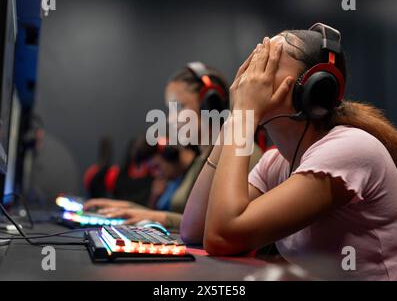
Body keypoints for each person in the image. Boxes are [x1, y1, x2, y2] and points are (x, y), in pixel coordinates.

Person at [180, 24, 397, 280]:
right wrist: (234, 120)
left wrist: (243, 116)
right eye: (254, 65)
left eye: (268, 65)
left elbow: (223, 236)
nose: (251, 79)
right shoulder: (275, 163)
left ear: (315, 88)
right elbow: (193, 229)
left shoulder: (350, 148)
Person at [84, 63, 263, 229]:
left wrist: (158, 217)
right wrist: (126, 208)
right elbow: (184, 216)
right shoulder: (201, 158)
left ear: (210, 105)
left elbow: (215, 225)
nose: (170, 119)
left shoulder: (241, 154)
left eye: (179, 107)